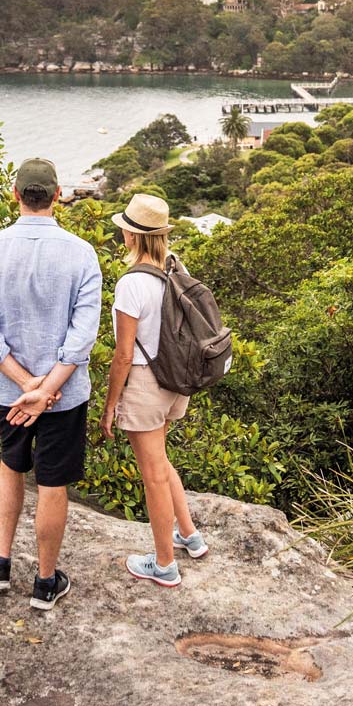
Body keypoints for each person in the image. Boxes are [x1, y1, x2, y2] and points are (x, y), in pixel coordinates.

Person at [0, 158, 102, 610]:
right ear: (58, 194)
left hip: (12, 393)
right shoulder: (81, 252)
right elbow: (83, 336)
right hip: (63, 396)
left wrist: (27, 385)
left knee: (11, 465)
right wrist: (47, 388)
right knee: (53, 483)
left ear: (16, 194)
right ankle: (45, 582)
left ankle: (0, 564)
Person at [102, 192, 209, 589]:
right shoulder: (174, 270)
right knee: (161, 462)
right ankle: (189, 535)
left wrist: (111, 405)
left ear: (131, 237)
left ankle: (164, 563)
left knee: (152, 475)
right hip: (175, 382)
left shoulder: (131, 284)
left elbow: (124, 354)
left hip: (146, 384)